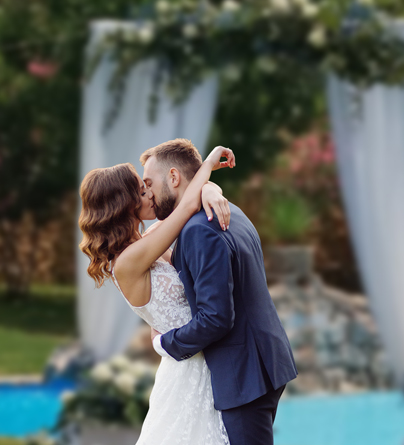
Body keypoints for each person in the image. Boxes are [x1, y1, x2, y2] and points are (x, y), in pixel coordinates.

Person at [141, 138, 298, 445]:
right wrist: (209, 186)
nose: (148, 193)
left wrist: (165, 344)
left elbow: (216, 318)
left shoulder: (199, 229)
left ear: (173, 178)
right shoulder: (229, 211)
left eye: (150, 183)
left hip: (244, 373)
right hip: (262, 362)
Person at [78, 144, 236, 444]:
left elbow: (187, 197)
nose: (150, 194)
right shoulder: (126, 262)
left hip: (201, 359)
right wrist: (210, 163)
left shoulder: (145, 241)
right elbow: (187, 207)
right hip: (189, 367)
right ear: (123, 204)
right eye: (141, 191)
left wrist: (210, 190)